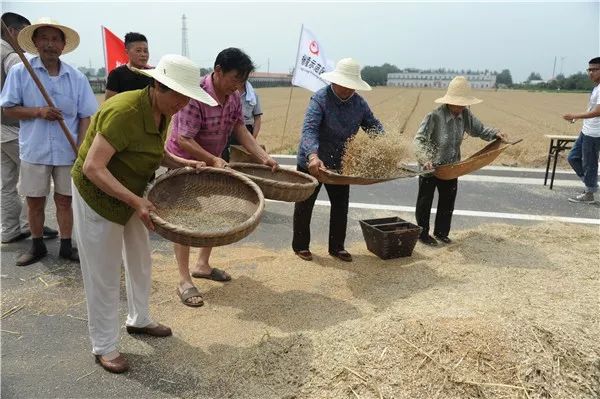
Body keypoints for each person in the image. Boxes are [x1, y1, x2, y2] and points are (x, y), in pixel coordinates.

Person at [72, 54, 215, 373]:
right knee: (104, 273)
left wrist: (183, 163)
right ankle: (104, 346)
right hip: (98, 195)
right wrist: (137, 202)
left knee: (140, 259)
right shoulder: (124, 111)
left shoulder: (162, 112)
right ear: (160, 86)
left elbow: (154, 150)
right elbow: (95, 167)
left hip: (131, 191)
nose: (184, 104)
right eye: (180, 96)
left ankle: (139, 319)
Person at [166, 47, 277, 307]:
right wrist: (213, 160)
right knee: (183, 219)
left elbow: (239, 127)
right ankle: (183, 280)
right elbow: (184, 138)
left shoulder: (233, 96)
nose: (239, 86)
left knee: (213, 214)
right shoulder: (195, 96)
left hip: (214, 161)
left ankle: (203, 265)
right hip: (185, 163)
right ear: (218, 71)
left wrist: (262, 156)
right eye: (235, 79)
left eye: (243, 81)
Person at [0, 17, 97, 265]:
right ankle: (37, 245)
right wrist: (38, 112)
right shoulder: (21, 72)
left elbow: (85, 115)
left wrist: (81, 147)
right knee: (34, 201)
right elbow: (8, 109)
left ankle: (66, 245)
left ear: (63, 45)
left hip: (68, 150)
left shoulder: (76, 77)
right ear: (35, 42)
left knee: (65, 200)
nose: (50, 44)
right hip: (34, 149)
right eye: (44, 38)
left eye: (55, 39)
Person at [293, 58, 384, 263]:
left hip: (340, 162)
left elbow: (373, 127)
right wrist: (313, 156)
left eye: (352, 87)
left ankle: (337, 247)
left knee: (341, 205)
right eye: (346, 85)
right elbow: (309, 130)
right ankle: (300, 246)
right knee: (305, 204)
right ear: (336, 81)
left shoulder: (359, 103)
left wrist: (387, 146)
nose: (349, 90)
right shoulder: (320, 99)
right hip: (312, 161)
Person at [413, 76, 507, 246]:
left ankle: (441, 232)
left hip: (451, 166)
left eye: (463, 104)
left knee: (448, 199)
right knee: (425, 201)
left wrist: (495, 134)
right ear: (448, 101)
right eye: (457, 103)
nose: (459, 107)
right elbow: (418, 140)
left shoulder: (465, 115)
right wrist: (425, 159)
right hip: (430, 166)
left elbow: (479, 129)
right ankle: (422, 233)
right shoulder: (434, 116)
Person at [1, 12, 58, 243]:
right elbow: (33, 87)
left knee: (6, 182)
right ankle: (30, 224)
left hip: (2, 131)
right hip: (14, 128)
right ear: (13, 32)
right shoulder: (13, 58)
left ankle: (10, 229)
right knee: (35, 180)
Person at [562, 57, 600, 204]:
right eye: (589, 70)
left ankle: (589, 193)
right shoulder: (596, 87)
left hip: (595, 133)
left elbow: (598, 111)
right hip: (587, 130)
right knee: (573, 157)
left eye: (595, 69)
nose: (591, 73)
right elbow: (592, 109)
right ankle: (591, 185)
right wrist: (578, 118)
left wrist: (575, 116)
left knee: (590, 163)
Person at [221, 80, 262, 161]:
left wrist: (252, 139)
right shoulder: (226, 92)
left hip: (246, 130)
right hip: (228, 130)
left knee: (242, 160)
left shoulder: (253, 94)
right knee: (225, 158)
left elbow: (257, 118)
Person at [104, 32, 153, 100]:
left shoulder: (153, 75)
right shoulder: (116, 75)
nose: (143, 54)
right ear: (127, 52)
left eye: (145, 51)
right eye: (138, 51)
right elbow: (109, 104)